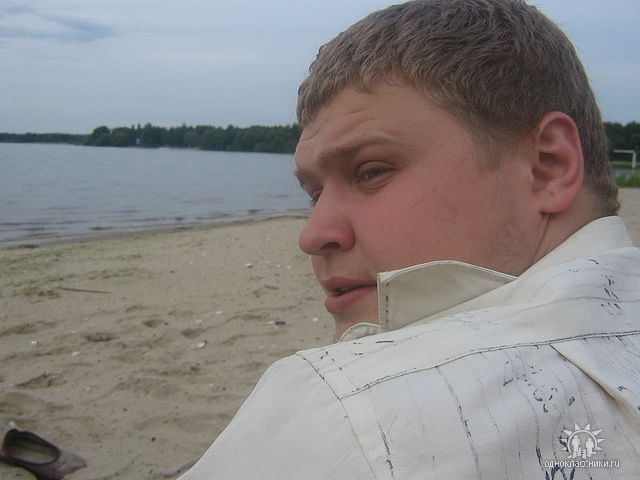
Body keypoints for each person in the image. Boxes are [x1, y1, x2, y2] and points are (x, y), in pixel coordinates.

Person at [178, 0, 640, 478]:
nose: (312, 235)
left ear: (548, 167)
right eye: (315, 194)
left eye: (371, 171)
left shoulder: (350, 413)